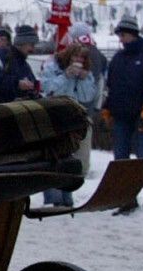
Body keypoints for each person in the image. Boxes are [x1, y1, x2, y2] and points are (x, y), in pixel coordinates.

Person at [103, 15, 143, 214]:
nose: (120, 40)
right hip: (121, 117)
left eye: (123, 35)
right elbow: (112, 87)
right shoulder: (118, 59)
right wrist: (108, 107)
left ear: (132, 33)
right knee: (121, 160)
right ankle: (126, 199)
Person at [40, 37, 102, 206]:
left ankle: (67, 196)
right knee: (54, 157)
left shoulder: (85, 72)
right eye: (76, 57)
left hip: (72, 118)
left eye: (82, 58)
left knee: (71, 158)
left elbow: (86, 96)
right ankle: (53, 197)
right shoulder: (53, 66)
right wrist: (66, 76)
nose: (79, 61)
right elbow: (48, 89)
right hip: (53, 116)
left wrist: (83, 79)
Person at [0, 25, 42, 103]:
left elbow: (32, 85)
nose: (33, 49)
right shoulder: (0, 55)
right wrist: (16, 84)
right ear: (21, 43)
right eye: (31, 45)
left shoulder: (25, 65)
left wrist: (33, 89)